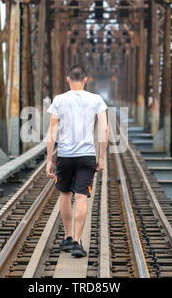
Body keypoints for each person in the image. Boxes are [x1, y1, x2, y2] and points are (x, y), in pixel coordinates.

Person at [46, 65, 109, 258]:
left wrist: (49, 159)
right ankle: (77, 242)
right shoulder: (96, 100)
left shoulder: (59, 100)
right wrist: (101, 157)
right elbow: (104, 130)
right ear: (85, 80)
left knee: (65, 195)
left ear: (67, 79)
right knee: (81, 196)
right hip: (86, 155)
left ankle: (67, 236)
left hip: (64, 156)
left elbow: (52, 132)